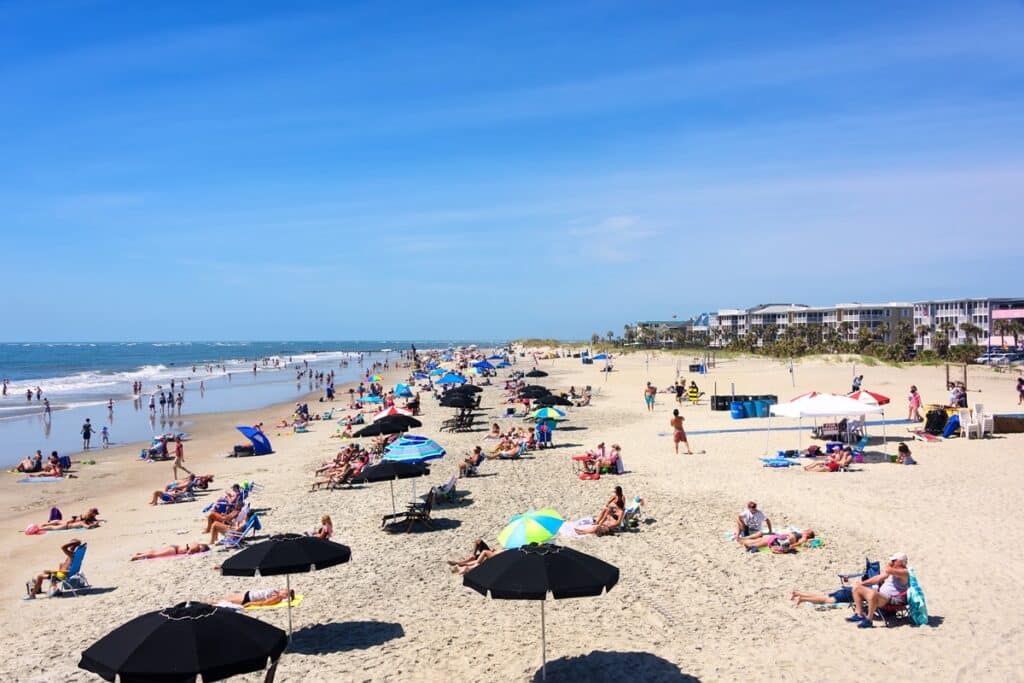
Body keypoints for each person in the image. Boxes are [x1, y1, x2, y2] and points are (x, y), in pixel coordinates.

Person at [848, 553, 910, 627]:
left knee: (873, 594)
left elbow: (888, 570)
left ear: (901, 562)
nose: (892, 562)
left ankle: (868, 621)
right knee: (857, 588)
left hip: (894, 600)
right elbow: (878, 578)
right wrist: (862, 583)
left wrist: (889, 563)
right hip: (883, 597)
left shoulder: (904, 572)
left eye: (894, 560)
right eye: (892, 561)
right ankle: (859, 614)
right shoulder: (894, 571)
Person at [739, 529, 815, 551]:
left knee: (764, 541)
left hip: (782, 540)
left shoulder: (804, 537)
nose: (805, 530)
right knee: (762, 539)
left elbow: (799, 543)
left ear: (808, 534)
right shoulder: (800, 533)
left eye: (807, 530)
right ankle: (744, 542)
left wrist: (791, 546)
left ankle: (750, 545)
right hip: (781, 537)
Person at [216, 588, 294, 607]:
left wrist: (250, 603)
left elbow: (263, 603)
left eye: (285, 590)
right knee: (221, 599)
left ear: (285, 595)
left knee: (220, 602)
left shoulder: (276, 598)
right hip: (247, 594)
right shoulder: (276, 592)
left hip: (247, 599)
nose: (284, 589)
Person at [790, 585, 855, 608]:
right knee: (824, 600)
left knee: (822, 596)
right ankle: (803, 599)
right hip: (847, 595)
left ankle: (797, 593)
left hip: (846, 590)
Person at [130, 543, 210, 560]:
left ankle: (141, 554)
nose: (200, 551)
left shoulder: (195, 545)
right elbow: (190, 551)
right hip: (174, 551)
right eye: (201, 549)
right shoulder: (196, 545)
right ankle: (137, 557)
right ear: (202, 546)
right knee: (155, 555)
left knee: (156, 552)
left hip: (175, 548)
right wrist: (188, 554)